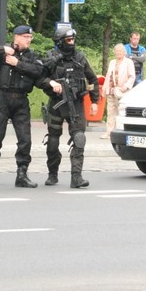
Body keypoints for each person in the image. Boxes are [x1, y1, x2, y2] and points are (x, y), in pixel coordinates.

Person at [0, 25, 44, 187]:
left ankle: (21, 175)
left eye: (30, 37)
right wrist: (0, 49)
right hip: (2, 99)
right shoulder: (3, 52)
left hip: (21, 101)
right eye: (25, 37)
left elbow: (38, 71)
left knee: (25, 140)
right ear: (16, 37)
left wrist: (17, 63)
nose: (29, 40)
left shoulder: (32, 55)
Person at [39, 26, 99, 188]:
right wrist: (51, 84)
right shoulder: (51, 59)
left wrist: (94, 102)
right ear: (60, 42)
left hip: (76, 105)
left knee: (79, 138)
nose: (71, 43)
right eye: (68, 40)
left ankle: (76, 177)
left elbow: (92, 80)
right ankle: (52, 174)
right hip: (56, 105)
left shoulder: (80, 58)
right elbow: (39, 78)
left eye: (73, 39)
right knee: (52, 141)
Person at [101, 43, 135, 139]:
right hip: (111, 90)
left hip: (122, 91)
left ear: (124, 52)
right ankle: (109, 132)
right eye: (116, 51)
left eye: (120, 51)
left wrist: (126, 87)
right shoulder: (112, 62)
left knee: (121, 112)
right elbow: (108, 76)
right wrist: (104, 88)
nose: (118, 53)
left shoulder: (128, 62)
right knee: (111, 112)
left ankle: (122, 132)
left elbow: (132, 76)